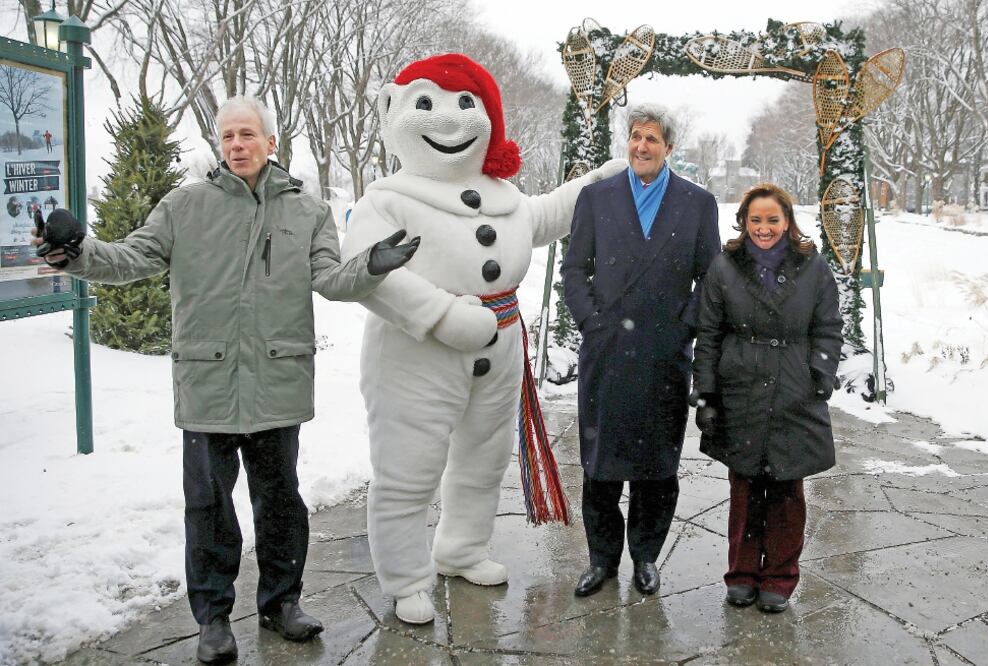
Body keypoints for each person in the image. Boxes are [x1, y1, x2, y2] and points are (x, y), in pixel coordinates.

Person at [32, 96, 419, 664]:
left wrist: (373, 265)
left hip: (276, 381)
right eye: (227, 137)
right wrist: (76, 252)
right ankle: (213, 619)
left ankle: (281, 603)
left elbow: (331, 280)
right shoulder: (185, 205)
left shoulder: (306, 209)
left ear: (270, 143)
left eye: (246, 135)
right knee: (208, 507)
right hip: (208, 383)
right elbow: (130, 258)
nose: (236, 145)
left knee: (281, 502)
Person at [340, 53, 625, 625]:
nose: (450, 119)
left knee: (482, 461)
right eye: (427, 103)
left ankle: (462, 548)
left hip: (498, 353)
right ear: (394, 110)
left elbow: (541, 216)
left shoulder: (504, 194)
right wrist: (445, 316)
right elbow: (368, 274)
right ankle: (406, 577)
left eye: (466, 103)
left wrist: (591, 186)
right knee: (409, 470)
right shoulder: (387, 199)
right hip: (416, 356)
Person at [562, 102, 721, 598]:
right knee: (601, 463)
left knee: (657, 465)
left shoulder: (697, 203)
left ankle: (647, 556)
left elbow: (710, 278)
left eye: (652, 138)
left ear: (668, 147)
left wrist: (682, 329)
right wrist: (592, 322)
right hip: (608, 353)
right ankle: (601, 558)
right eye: (635, 136)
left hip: (662, 354)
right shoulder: (596, 198)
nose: (641, 146)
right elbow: (573, 270)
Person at [692, 182, 842, 613]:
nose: (764, 228)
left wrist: (820, 375)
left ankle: (779, 576)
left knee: (785, 491)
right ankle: (741, 574)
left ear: (787, 221)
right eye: (755, 220)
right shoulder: (725, 268)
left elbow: (828, 325)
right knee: (744, 488)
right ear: (744, 222)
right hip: (741, 386)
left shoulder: (811, 266)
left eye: (772, 219)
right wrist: (706, 393)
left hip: (794, 386)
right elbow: (709, 333)